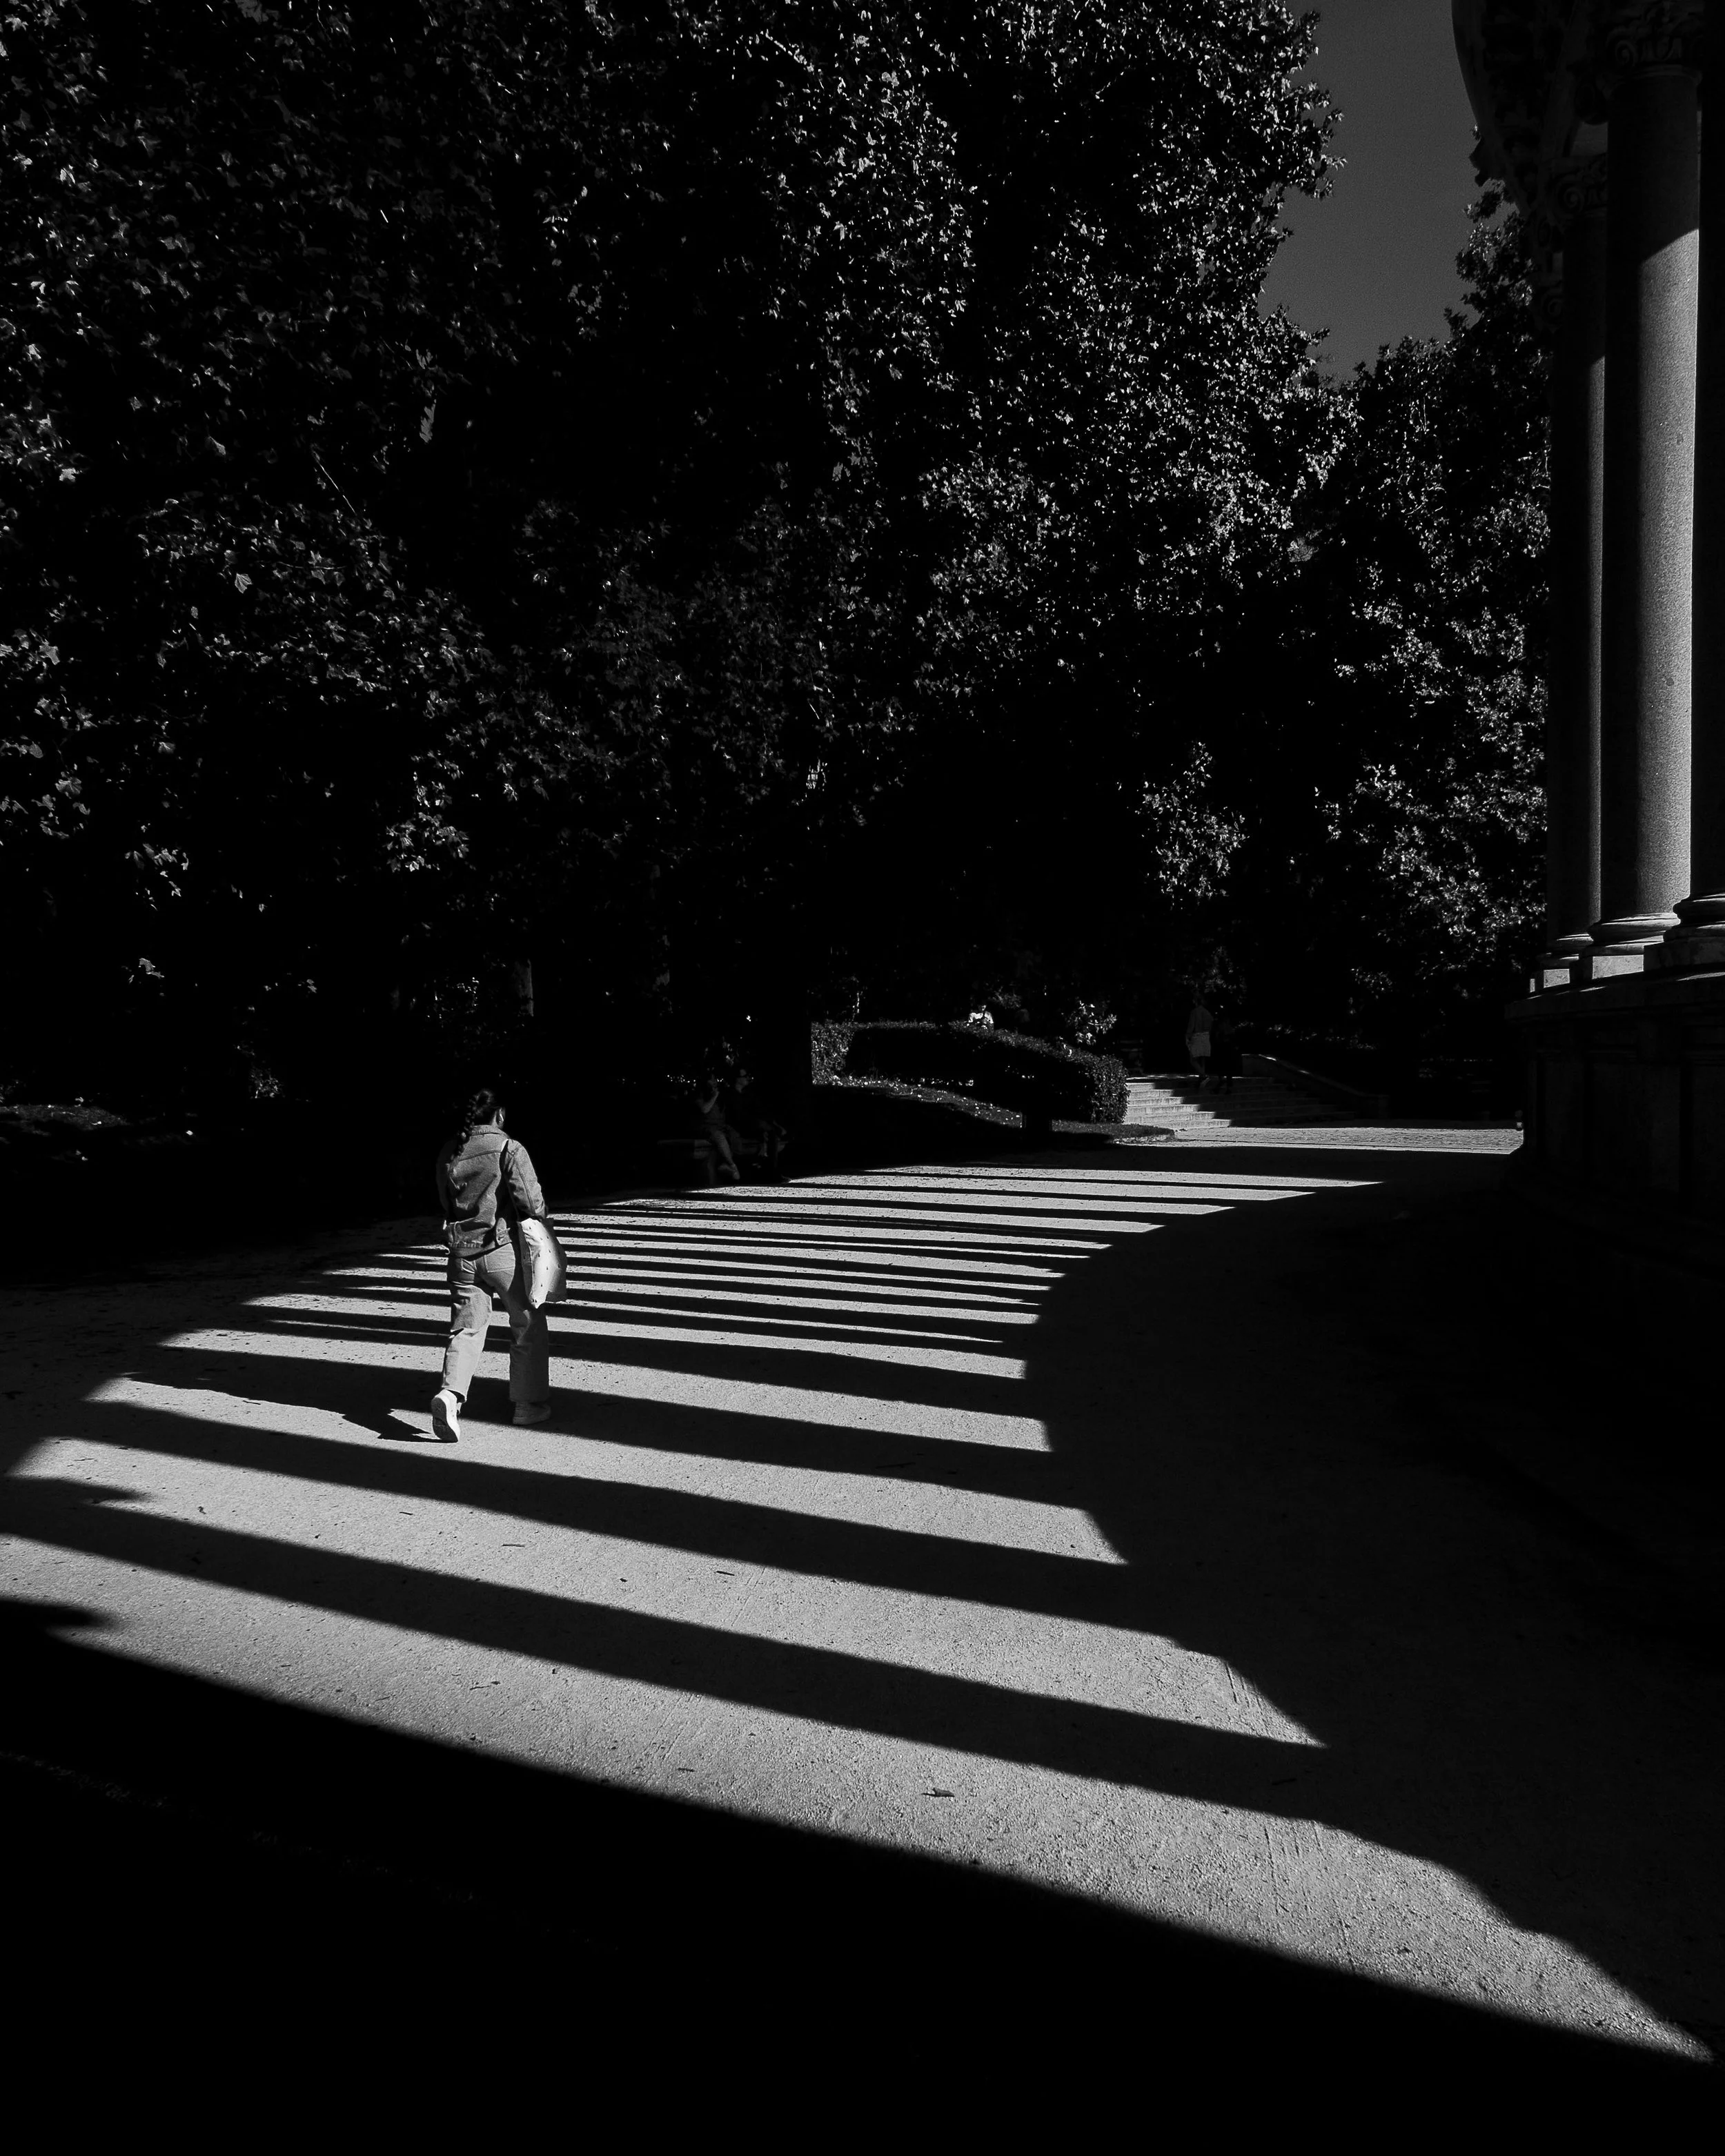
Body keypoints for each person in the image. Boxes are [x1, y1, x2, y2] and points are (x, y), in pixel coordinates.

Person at [429, 1087, 553, 1441]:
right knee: (527, 1322)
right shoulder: (508, 1148)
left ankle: (450, 1395)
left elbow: (445, 1203)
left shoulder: (449, 1151)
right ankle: (528, 1406)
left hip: (460, 1254)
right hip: (502, 1251)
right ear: (500, 1115)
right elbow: (530, 1200)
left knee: (466, 1328)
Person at [1185, 991, 1214, 1085]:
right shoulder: (1207, 1013)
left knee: (1193, 1059)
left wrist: (1187, 1036)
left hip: (1197, 1036)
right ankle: (1202, 1077)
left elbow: (1191, 1026)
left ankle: (1204, 1075)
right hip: (1206, 1036)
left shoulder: (1195, 1012)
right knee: (1202, 1058)